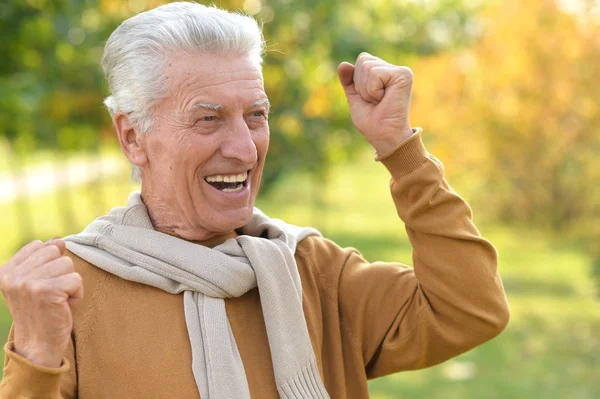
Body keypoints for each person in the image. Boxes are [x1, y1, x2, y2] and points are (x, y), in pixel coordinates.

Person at [0, 2, 509, 398]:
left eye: (256, 115)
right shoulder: (71, 290)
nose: (244, 148)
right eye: (208, 118)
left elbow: (470, 309)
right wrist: (38, 352)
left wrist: (401, 150)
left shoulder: (310, 271)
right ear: (133, 137)